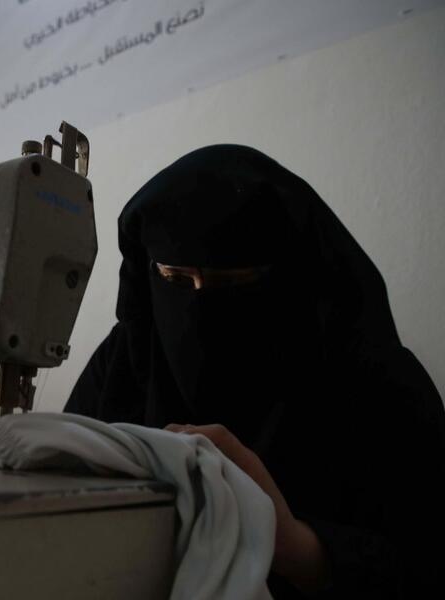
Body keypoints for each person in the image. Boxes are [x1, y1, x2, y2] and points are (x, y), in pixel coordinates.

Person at [65, 145, 445, 598]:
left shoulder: (375, 383)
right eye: (176, 280)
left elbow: (429, 566)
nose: (200, 306)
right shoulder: (127, 360)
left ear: (293, 277)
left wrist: (291, 544)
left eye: (234, 283)